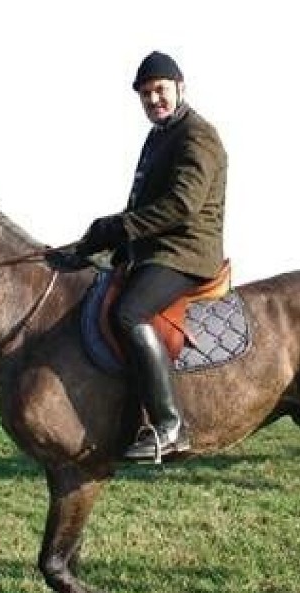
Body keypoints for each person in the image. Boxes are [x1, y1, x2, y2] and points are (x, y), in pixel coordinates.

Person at [75, 50, 228, 462]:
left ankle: (170, 424)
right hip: (153, 249)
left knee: (128, 312)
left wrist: (118, 227)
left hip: (187, 252)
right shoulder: (158, 136)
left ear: (180, 87)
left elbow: (183, 204)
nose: (153, 100)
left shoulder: (198, 135)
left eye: (159, 90)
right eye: (145, 95)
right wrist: (100, 243)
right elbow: (140, 201)